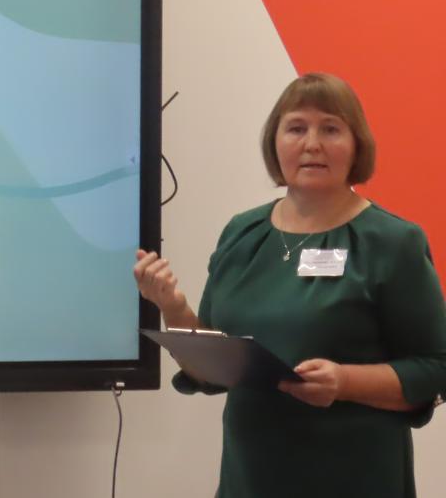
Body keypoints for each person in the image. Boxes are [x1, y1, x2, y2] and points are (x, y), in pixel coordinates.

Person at [134, 72, 446, 497]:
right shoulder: (242, 233)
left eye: (330, 129)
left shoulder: (393, 242)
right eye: (297, 128)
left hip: (354, 477)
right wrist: (171, 306)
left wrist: (345, 381)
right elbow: (212, 369)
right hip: (251, 478)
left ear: (356, 145)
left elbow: (435, 367)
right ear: (274, 142)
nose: (312, 143)